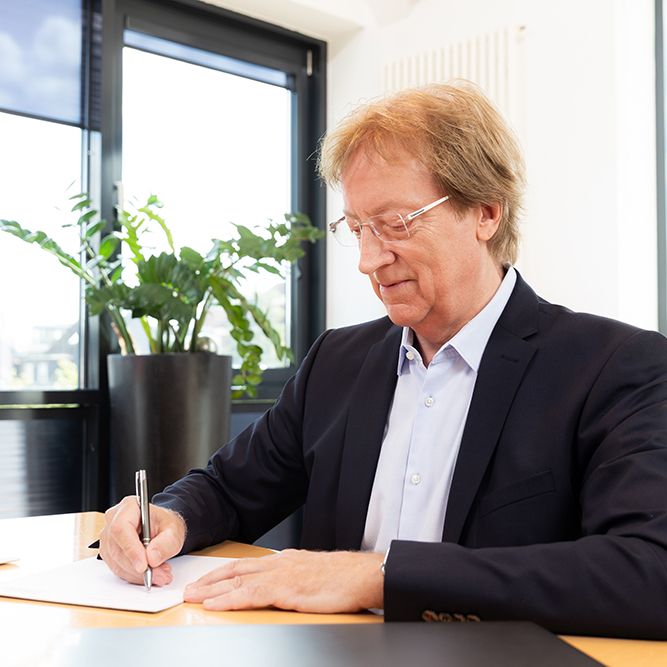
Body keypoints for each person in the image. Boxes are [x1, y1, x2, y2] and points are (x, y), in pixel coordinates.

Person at [99, 80, 667, 639]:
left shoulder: (614, 368)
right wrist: (168, 517)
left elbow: (649, 571)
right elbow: (229, 488)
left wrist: (380, 577)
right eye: (357, 229)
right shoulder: (336, 361)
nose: (369, 260)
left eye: (396, 224)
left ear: (486, 212)